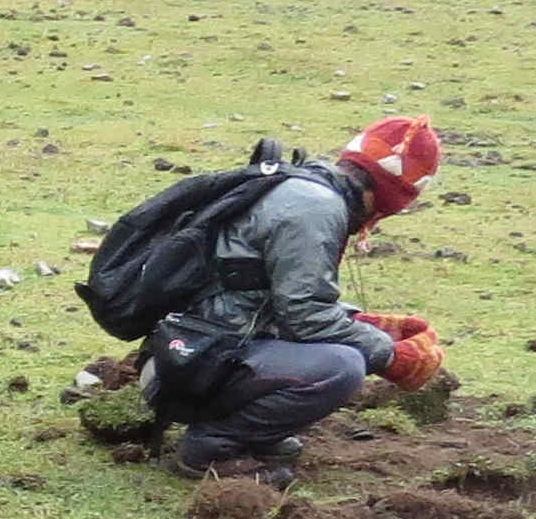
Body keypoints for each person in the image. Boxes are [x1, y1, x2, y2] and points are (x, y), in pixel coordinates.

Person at [153, 115, 446, 483]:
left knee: (343, 350)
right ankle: (212, 444)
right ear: (391, 195)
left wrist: (368, 324)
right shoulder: (317, 210)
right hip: (198, 359)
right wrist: (390, 355)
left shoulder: (305, 188)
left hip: (188, 347)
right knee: (342, 367)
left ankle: (253, 433)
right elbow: (304, 315)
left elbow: (272, 294)